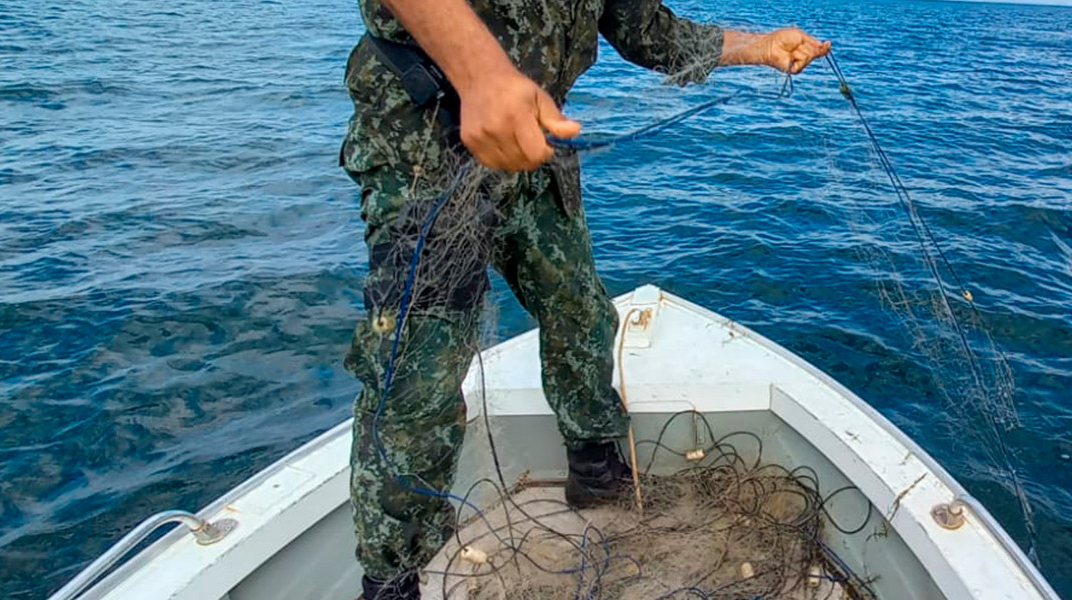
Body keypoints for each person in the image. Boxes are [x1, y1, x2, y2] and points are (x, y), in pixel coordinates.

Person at [337, 0, 830, 597]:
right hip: (422, 153)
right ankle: (392, 575)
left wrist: (761, 48)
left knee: (580, 309)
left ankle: (595, 469)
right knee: (423, 370)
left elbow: (650, 32)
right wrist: (482, 74)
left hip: (534, 150)